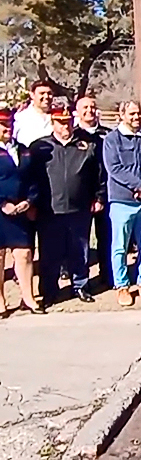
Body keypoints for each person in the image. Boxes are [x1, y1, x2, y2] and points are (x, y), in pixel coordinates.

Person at [32, 107, 104, 306]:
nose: (65, 126)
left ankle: (80, 286)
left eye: (68, 122)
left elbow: (97, 175)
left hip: (79, 208)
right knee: (49, 253)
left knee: (79, 250)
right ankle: (49, 291)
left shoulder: (86, 146)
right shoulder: (40, 147)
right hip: (50, 210)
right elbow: (32, 179)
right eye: (61, 122)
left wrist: (98, 197)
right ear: (53, 123)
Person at [104, 100, 141, 307]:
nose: (136, 117)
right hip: (122, 201)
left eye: (138, 114)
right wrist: (140, 185)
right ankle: (122, 286)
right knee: (120, 247)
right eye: (131, 114)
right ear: (121, 115)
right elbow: (114, 168)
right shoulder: (112, 140)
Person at [0, 107, 44, 315]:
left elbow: (33, 179)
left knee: (25, 253)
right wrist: (2, 204)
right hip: (1, 210)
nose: (6, 128)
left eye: (9, 124)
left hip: (21, 210)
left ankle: (29, 297)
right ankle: (0, 301)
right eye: (2, 124)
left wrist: (29, 200)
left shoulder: (24, 149)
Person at [75, 95, 113, 287]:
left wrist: (101, 196)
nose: (89, 110)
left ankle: (108, 276)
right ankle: (81, 281)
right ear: (77, 111)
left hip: (105, 194)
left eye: (92, 107)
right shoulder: (74, 136)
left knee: (106, 237)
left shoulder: (108, 134)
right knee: (80, 241)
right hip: (81, 196)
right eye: (85, 107)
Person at [13, 80, 53, 146]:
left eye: (49, 93)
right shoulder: (21, 117)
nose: (46, 96)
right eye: (42, 93)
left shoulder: (57, 118)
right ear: (32, 95)